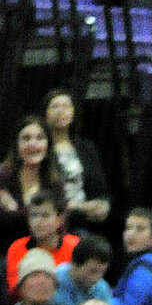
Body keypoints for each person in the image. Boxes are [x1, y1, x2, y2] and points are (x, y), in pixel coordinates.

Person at [43, 92, 109, 234]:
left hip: (87, 221)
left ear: (73, 113)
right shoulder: (42, 149)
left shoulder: (86, 147)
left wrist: (104, 205)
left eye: (66, 106)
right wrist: (80, 208)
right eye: (55, 106)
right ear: (46, 115)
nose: (61, 110)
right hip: (55, 221)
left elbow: (101, 190)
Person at [52, 236, 113, 305]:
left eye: (102, 272)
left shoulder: (102, 289)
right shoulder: (53, 282)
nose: (97, 279)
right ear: (74, 264)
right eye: (93, 271)